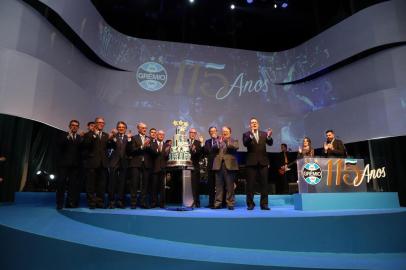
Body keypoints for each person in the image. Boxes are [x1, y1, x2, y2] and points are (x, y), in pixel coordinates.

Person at [243, 117, 273, 210]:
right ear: (250, 125)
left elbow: (270, 143)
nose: (254, 124)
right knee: (250, 185)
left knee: (264, 184)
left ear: (258, 124)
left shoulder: (264, 134)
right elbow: (245, 143)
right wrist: (251, 135)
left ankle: (264, 204)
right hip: (251, 163)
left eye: (255, 122)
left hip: (263, 162)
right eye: (252, 122)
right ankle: (250, 204)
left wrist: (269, 136)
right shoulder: (246, 134)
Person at [82, 117, 110, 209]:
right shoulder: (88, 134)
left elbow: (108, 147)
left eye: (103, 123)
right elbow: (86, 146)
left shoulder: (106, 135)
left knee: (101, 185)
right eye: (99, 122)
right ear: (95, 123)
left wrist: (113, 138)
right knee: (91, 184)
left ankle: (100, 202)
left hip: (103, 163)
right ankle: (91, 203)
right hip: (92, 163)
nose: (101, 124)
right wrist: (94, 135)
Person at [56, 120, 83, 209]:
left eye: (76, 126)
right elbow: (59, 145)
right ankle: (59, 203)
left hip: (75, 166)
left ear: (78, 127)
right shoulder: (63, 135)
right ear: (69, 126)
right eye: (73, 125)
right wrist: (68, 136)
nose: (74, 127)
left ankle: (70, 203)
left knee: (72, 185)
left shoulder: (79, 138)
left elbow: (81, 151)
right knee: (61, 184)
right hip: (64, 165)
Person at [126, 122, 153, 208]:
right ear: (138, 129)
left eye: (145, 128)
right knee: (134, 183)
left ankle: (143, 203)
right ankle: (133, 203)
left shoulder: (149, 139)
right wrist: (142, 146)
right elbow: (131, 151)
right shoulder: (134, 138)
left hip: (146, 164)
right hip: (136, 163)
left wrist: (149, 147)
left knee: (145, 184)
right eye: (143, 128)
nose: (145, 129)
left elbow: (152, 153)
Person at [211, 126, 239, 210]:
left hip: (229, 166)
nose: (224, 132)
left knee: (230, 186)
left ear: (230, 132)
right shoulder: (218, 140)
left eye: (226, 131)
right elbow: (213, 149)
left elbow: (234, 147)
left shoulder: (234, 141)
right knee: (218, 186)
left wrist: (226, 140)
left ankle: (230, 203)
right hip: (218, 165)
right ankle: (217, 204)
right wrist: (217, 142)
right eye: (223, 131)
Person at [107, 121, 129, 209]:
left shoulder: (128, 138)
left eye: (123, 127)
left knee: (122, 183)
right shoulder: (113, 137)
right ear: (117, 128)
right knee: (112, 183)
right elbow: (108, 146)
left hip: (124, 162)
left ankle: (120, 201)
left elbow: (130, 150)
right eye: (119, 127)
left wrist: (130, 141)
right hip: (114, 162)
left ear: (125, 129)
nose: (121, 128)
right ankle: (111, 202)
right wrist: (109, 138)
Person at [150, 130, 171, 208]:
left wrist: (167, 153)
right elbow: (151, 155)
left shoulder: (167, 145)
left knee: (162, 187)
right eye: (160, 134)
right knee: (154, 187)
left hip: (163, 169)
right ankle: (153, 202)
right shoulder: (152, 143)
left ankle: (162, 203)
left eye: (163, 134)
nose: (161, 136)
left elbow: (167, 157)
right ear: (157, 135)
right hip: (154, 168)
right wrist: (157, 150)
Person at [188, 128, 203, 208]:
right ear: (189, 133)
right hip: (186, 167)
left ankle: (196, 202)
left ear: (196, 134)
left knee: (195, 185)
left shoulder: (198, 143)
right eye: (191, 132)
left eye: (194, 133)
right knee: (187, 185)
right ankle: (188, 202)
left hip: (195, 166)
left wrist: (194, 150)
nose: (192, 134)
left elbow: (200, 153)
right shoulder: (185, 142)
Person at [203, 126, 218, 208]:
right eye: (211, 131)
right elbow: (207, 151)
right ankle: (211, 203)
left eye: (214, 131)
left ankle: (219, 203)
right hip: (210, 166)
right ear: (209, 133)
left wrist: (216, 141)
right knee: (211, 186)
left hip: (219, 166)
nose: (213, 132)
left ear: (217, 131)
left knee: (219, 185)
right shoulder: (207, 142)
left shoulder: (220, 140)